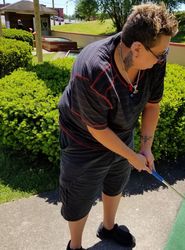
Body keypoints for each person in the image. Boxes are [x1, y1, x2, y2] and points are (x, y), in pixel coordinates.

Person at [58, 3, 178, 250]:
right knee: (80, 192)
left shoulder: (154, 61)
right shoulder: (92, 70)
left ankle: (109, 227)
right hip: (83, 137)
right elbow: (97, 129)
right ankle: (75, 246)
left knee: (116, 179)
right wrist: (131, 156)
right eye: (159, 54)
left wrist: (145, 149)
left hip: (121, 130)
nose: (162, 58)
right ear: (136, 48)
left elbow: (152, 105)